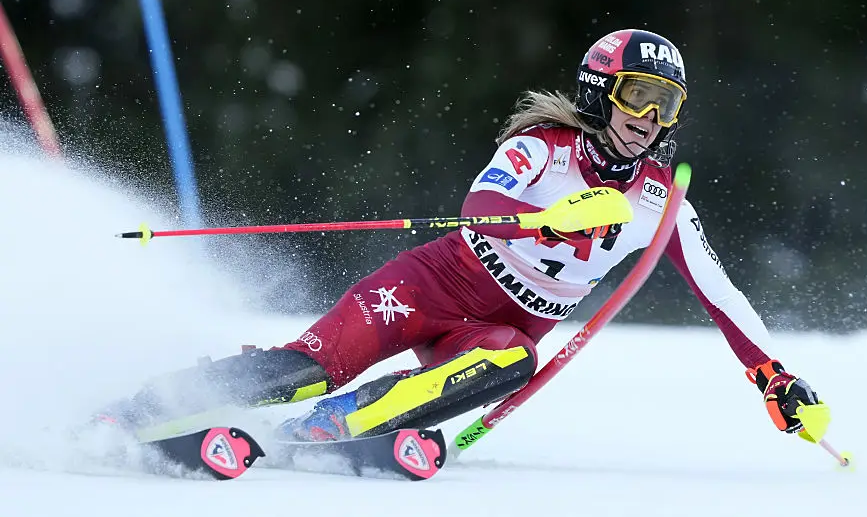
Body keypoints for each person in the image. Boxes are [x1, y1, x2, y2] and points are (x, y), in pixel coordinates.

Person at [109, 28, 820, 444]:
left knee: (514, 360)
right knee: (308, 365)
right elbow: (481, 203)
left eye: (667, 104)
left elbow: (721, 295)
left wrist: (773, 375)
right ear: (602, 90)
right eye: (639, 95)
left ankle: (333, 429)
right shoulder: (543, 145)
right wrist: (551, 215)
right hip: (431, 286)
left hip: (496, 330)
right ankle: (144, 407)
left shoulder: (661, 202)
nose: (651, 116)